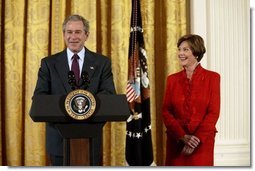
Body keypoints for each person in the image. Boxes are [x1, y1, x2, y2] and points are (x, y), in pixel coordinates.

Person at [32, 14, 116, 166]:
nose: (73, 37)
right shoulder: (49, 64)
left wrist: (84, 109)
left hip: (91, 140)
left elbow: (108, 94)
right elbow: (40, 98)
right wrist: (67, 112)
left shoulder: (102, 63)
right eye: (69, 32)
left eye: (78, 32)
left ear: (86, 35)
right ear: (64, 35)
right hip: (58, 141)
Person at [162, 34, 220, 166]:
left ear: (196, 52)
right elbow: (166, 111)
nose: (180, 53)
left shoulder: (213, 78)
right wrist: (182, 136)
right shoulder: (172, 80)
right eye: (179, 49)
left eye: (185, 49)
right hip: (176, 143)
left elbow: (213, 113)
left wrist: (196, 139)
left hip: (202, 144)